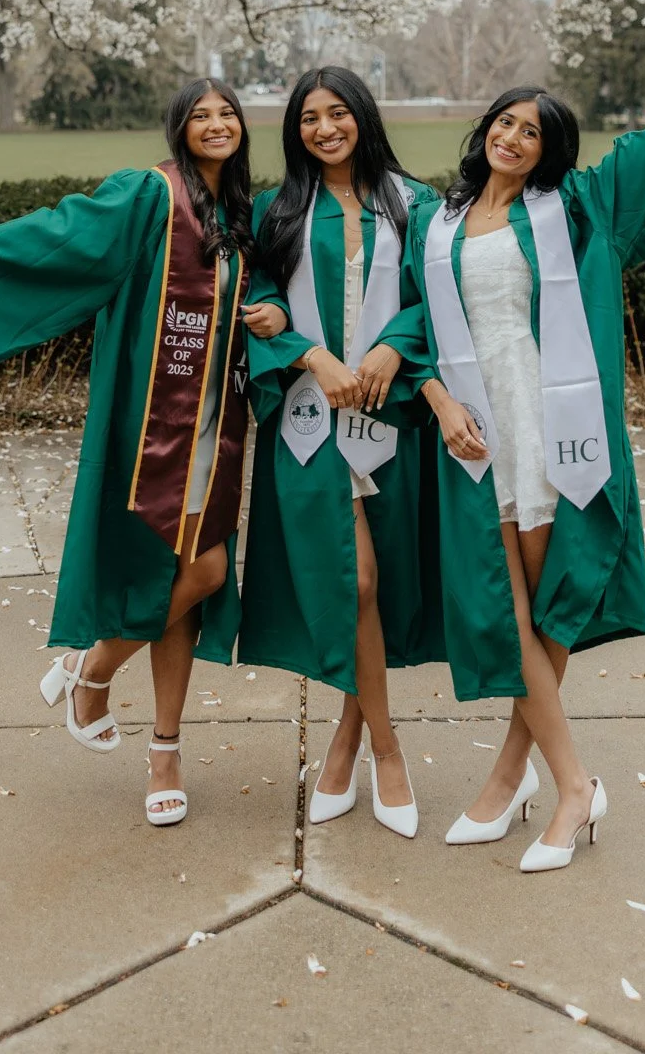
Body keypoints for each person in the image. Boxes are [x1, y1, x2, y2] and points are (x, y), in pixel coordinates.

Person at [405, 15, 645, 871]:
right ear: (485, 129)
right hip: (472, 429)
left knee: (542, 615)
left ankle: (541, 784)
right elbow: (410, 326)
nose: (512, 138)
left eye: (531, 132)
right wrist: (435, 397)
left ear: (549, 151)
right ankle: (549, 783)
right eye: (505, 122)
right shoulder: (437, 220)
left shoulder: (572, 211)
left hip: (547, 424)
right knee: (507, 611)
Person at [0, 77, 263, 827]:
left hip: (217, 427)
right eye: (200, 115)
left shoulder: (240, 213)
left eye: (227, 113)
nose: (216, 124)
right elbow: (62, 235)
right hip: (153, 427)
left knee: (198, 577)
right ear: (179, 129)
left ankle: (110, 695)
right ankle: (109, 697)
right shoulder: (150, 194)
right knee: (179, 573)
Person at [240, 67, 443, 838]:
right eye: (308, 118)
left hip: (388, 420)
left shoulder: (415, 203)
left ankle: (345, 741)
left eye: (337, 113)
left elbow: (439, 295)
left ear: (362, 115)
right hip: (308, 419)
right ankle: (387, 753)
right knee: (353, 581)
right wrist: (307, 352)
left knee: (377, 587)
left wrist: (396, 343)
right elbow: (255, 298)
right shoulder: (275, 210)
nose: (324, 129)